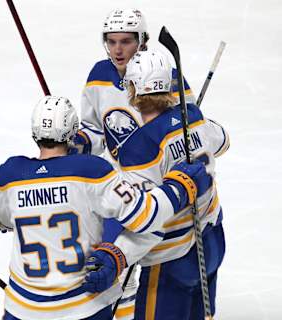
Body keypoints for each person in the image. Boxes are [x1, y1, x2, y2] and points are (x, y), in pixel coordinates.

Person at [0, 95, 212, 320]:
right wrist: (180, 186)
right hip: (84, 308)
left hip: (23, 309)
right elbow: (146, 217)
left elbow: (1, 218)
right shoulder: (91, 172)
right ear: (72, 130)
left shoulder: (10, 175)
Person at [72, 9, 197, 319]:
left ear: (142, 41)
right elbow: (94, 129)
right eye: (111, 41)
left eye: (126, 41)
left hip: (157, 189)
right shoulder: (98, 75)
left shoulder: (164, 76)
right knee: (113, 262)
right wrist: (79, 143)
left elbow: (188, 126)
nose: (117, 50)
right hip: (118, 189)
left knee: (148, 262)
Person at [120, 50, 229, 319]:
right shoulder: (193, 115)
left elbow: (141, 216)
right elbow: (223, 140)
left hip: (171, 258)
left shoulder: (138, 146)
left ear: (134, 88)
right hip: (212, 242)